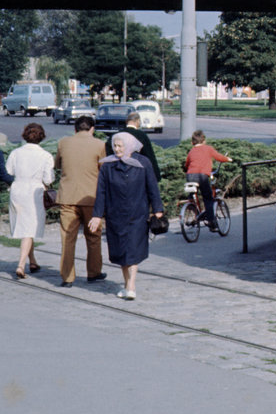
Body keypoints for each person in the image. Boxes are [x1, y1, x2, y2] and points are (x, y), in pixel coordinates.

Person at [88, 131, 163, 301]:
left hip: (138, 213)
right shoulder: (108, 166)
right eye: (115, 145)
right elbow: (101, 192)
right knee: (121, 249)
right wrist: (97, 215)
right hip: (116, 214)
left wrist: (157, 209)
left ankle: (131, 285)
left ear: (129, 146)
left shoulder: (143, 163)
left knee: (134, 248)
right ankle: (126, 282)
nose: (117, 149)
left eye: (120, 146)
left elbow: (152, 187)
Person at [55, 114, 108, 287]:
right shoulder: (100, 145)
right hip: (91, 197)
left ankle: (67, 277)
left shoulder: (63, 143)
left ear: (75, 129)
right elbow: (104, 169)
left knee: (68, 237)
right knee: (93, 236)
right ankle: (93, 272)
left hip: (68, 197)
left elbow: (57, 165)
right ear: (92, 129)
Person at [6, 122, 55, 280]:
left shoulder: (15, 153)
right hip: (34, 192)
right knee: (29, 228)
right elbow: (48, 179)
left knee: (26, 227)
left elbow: (9, 171)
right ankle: (21, 265)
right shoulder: (46, 156)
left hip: (17, 189)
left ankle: (33, 261)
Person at [183, 130, 232, 232]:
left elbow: (186, 164)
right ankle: (212, 223)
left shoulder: (191, 151)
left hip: (190, 176)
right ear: (204, 141)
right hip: (202, 176)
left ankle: (192, 210)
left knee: (192, 194)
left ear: (192, 142)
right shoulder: (208, 149)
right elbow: (219, 157)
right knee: (208, 198)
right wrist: (227, 159)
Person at [105, 110, 161, 181]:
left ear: (126, 121)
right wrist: (156, 176)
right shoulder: (141, 135)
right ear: (137, 121)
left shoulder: (115, 135)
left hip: (118, 173)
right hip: (137, 174)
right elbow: (149, 156)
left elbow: (108, 154)